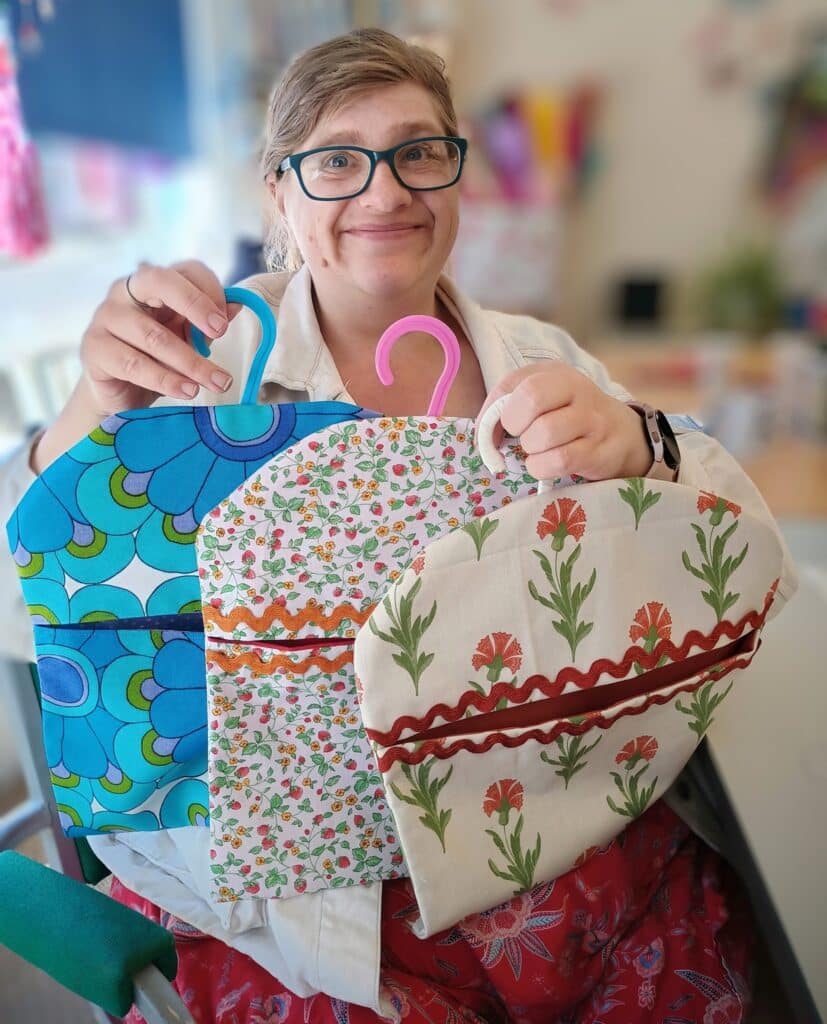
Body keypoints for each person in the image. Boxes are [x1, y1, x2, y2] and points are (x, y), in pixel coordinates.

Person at [0, 27, 796, 1024]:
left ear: (457, 175)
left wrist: (641, 446)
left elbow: (744, 559)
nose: (385, 193)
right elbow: (23, 619)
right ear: (277, 198)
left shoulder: (536, 358)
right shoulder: (189, 378)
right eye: (336, 161)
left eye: (419, 151)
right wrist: (83, 418)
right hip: (299, 890)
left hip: (554, 827)